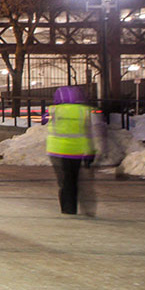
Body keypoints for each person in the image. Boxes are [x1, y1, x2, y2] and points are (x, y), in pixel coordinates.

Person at [44, 86, 99, 215]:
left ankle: (67, 208)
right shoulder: (85, 111)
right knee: (73, 180)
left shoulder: (53, 110)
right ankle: (73, 206)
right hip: (76, 151)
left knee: (64, 181)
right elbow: (90, 133)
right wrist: (90, 152)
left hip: (56, 151)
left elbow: (43, 120)